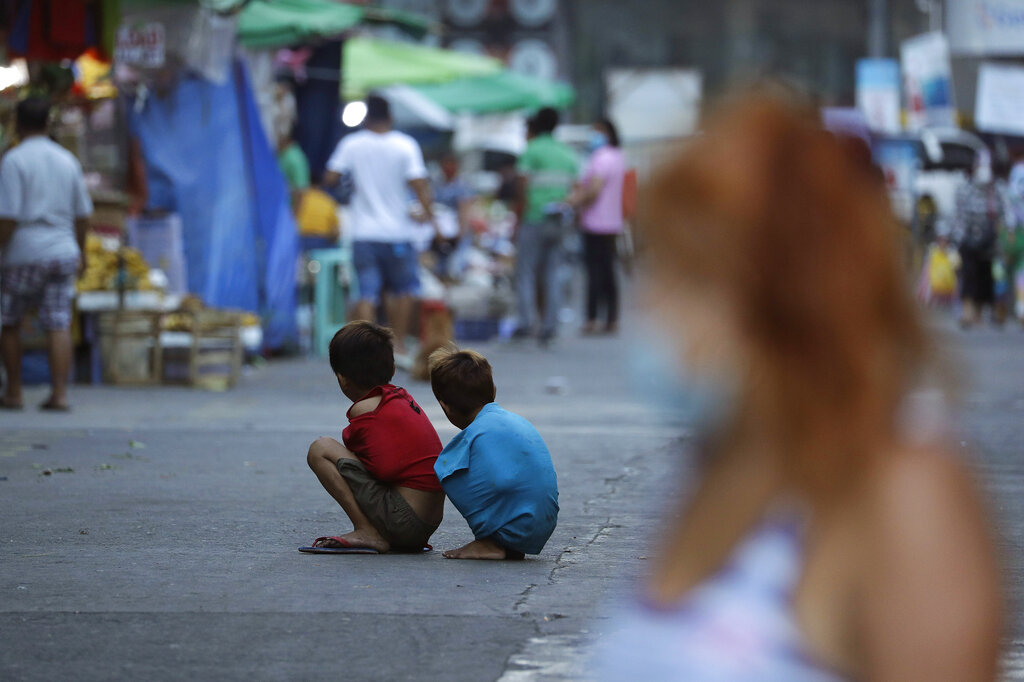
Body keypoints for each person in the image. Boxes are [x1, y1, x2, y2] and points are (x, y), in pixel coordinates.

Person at [593, 93, 1003, 680]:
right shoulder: (726, 454)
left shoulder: (902, 489)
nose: (652, 303)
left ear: (781, 296)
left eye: (684, 276)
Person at [304, 321, 445, 553]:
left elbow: (384, 469)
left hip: (404, 521)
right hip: (426, 523)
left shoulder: (367, 409)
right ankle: (376, 531)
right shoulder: (399, 398)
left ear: (342, 379)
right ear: (392, 370)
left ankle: (366, 530)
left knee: (320, 449)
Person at [322, 94, 437, 361]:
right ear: (391, 117)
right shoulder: (405, 145)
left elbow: (330, 176)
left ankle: (366, 350)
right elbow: (419, 183)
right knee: (404, 289)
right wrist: (431, 218)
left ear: (365, 118)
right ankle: (397, 346)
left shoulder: (352, 144)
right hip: (398, 232)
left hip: (363, 233)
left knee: (367, 292)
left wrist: (351, 182)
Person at [0, 97, 93, 411]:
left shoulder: (13, 160)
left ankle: (13, 392)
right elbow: (83, 215)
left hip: (23, 253)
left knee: (10, 321)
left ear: (17, 123)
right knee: (58, 323)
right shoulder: (67, 160)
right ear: (48, 124)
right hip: (62, 250)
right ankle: (60, 394)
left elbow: (8, 217)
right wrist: (82, 252)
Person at [428, 346, 559, 560]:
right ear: (494, 390)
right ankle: (504, 540)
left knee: (444, 467)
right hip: (543, 525)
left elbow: (445, 471)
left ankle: (490, 542)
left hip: (512, 529)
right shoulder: (515, 420)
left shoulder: (473, 434)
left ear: (445, 407)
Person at [514, 107, 579, 345]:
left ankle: (526, 323)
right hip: (558, 220)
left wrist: (519, 214)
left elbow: (522, 186)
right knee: (552, 271)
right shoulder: (566, 153)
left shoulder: (531, 150)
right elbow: (575, 187)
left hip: (534, 217)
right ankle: (550, 325)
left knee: (526, 272)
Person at [567, 118, 626, 335]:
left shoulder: (600, 158)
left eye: (595, 132)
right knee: (609, 271)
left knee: (594, 272)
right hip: (612, 221)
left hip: (595, 222)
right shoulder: (618, 157)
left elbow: (594, 189)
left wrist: (574, 202)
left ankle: (592, 318)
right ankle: (611, 318)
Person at [953, 154, 1000, 328]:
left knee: (985, 277)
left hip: (989, 243)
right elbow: (959, 216)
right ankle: (967, 312)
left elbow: (1005, 214)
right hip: (968, 240)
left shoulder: (996, 189)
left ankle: (980, 312)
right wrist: (959, 240)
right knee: (968, 275)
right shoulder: (964, 189)